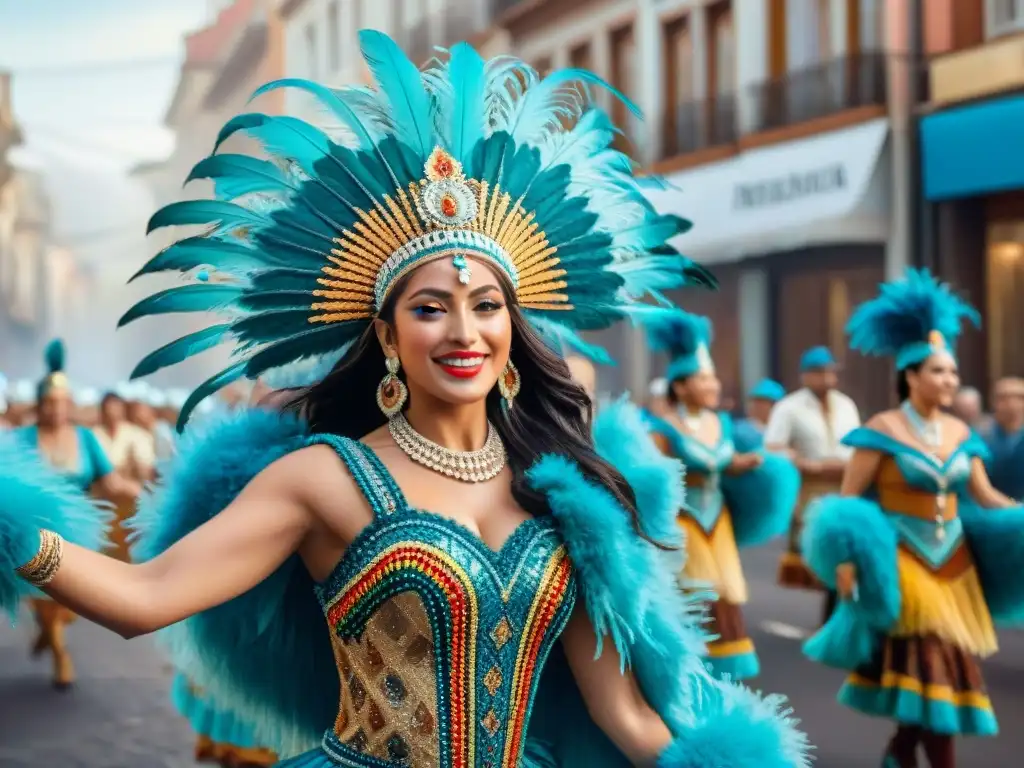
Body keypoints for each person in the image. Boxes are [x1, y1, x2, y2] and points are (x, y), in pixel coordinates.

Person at [0, 33, 808, 768]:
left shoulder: (565, 490)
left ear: (512, 325)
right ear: (388, 335)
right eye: (430, 308)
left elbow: (624, 716)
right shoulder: (325, 479)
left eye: (486, 306)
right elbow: (144, 600)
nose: (465, 331)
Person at [801, 268, 1024, 768]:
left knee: (938, 672)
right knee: (930, 666)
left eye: (953, 373)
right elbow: (848, 502)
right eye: (939, 372)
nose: (950, 380)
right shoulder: (882, 429)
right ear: (911, 375)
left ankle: (901, 750)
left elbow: (986, 496)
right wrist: (847, 563)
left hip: (955, 567)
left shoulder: (962, 432)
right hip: (903, 561)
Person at [641, 309, 800, 682]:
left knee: (725, 601)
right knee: (692, 599)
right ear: (680, 386)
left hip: (719, 522)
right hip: (682, 524)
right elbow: (651, 476)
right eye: (704, 378)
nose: (713, 385)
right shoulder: (662, 428)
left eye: (713, 378)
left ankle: (720, 682)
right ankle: (685, 678)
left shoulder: (721, 422)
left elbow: (721, 463)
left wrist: (745, 463)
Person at [6, 340, 126, 689]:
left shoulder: (86, 438)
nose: (55, 409)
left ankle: (50, 633)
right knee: (46, 596)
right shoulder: (23, 438)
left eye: (61, 402)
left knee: (71, 603)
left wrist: (142, 492)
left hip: (79, 530)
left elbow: (111, 480)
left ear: (69, 405)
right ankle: (60, 654)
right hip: (34, 533)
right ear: (40, 405)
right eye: (49, 402)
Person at [765, 347, 860, 614]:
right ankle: (835, 612)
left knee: (846, 550)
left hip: (845, 484)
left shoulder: (846, 404)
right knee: (825, 552)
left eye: (830, 372)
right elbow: (772, 448)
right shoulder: (789, 407)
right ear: (805, 376)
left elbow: (856, 443)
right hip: (810, 488)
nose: (827, 378)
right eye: (819, 372)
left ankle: (837, 613)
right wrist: (802, 462)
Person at [93, 389, 156, 561]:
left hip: (130, 505)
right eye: (107, 409)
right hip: (101, 504)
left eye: (115, 408)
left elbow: (146, 472)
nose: (111, 413)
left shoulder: (136, 435)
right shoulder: (93, 435)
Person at [978, 376, 1024, 501]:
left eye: (1019, 397)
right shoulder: (980, 438)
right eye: (1004, 398)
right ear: (992, 401)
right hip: (992, 508)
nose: (1011, 403)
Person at [733, 379, 786, 452]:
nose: (755, 406)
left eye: (761, 402)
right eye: (755, 402)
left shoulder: (786, 429)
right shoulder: (738, 430)